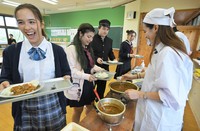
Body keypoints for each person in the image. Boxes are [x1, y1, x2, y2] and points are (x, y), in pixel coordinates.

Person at [0, 4, 71, 131]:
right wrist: (4, 83)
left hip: (53, 105)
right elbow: (5, 77)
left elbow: (66, 72)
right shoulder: (11, 52)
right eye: (21, 22)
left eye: (31, 22)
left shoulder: (58, 51)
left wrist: (66, 78)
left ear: (41, 24)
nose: (27, 27)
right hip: (24, 108)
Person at [122, 7, 193, 131]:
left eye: (145, 31)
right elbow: (154, 73)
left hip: (160, 119)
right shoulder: (163, 50)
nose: (145, 36)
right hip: (154, 113)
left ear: (155, 27)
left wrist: (139, 94)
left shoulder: (168, 54)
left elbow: (170, 96)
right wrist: (133, 76)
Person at [65, 23, 103, 123]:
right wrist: (87, 76)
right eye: (88, 36)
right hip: (79, 84)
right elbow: (71, 70)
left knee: (90, 107)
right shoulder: (71, 49)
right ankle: (75, 128)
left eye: (92, 37)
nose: (90, 40)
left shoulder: (87, 48)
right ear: (80, 34)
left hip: (88, 84)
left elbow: (89, 65)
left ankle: (88, 125)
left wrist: (98, 69)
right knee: (78, 110)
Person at [91, 19, 115, 99]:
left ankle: (99, 104)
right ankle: (90, 104)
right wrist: (96, 58)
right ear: (99, 28)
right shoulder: (92, 39)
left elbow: (110, 52)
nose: (106, 31)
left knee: (101, 88)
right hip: (93, 68)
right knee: (92, 88)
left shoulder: (109, 40)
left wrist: (114, 59)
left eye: (107, 29)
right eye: (104, 29)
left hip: (104, 68)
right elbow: (88, 53)